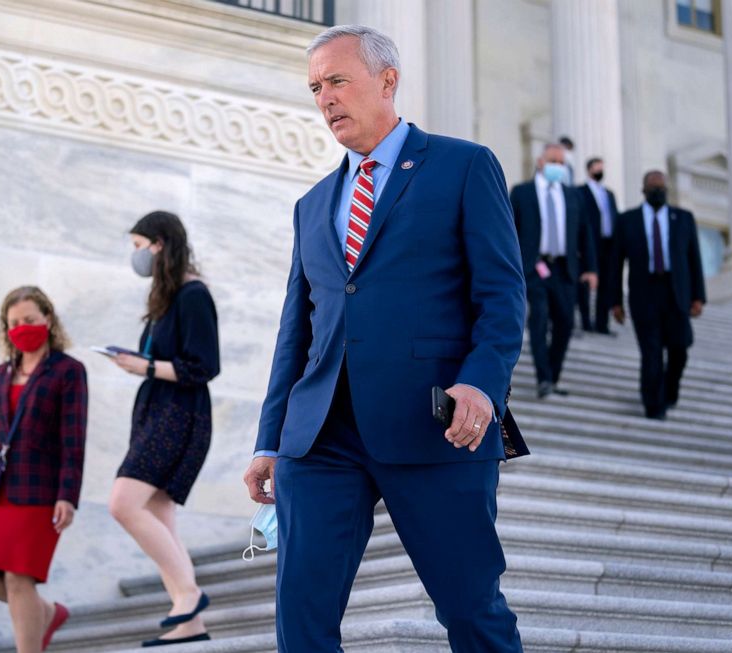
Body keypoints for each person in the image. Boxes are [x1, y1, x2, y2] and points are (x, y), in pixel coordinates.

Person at [242, 25, 527, 653]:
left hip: (434, 423)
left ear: (387, 80)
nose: (325, 99)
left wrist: (482, 383)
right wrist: (271, 438)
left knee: (471, 609)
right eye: (316, 87)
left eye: (337, 81)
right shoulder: (312, 205)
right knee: (302, 620)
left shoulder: (463, 166)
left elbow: (503, 296)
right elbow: (298, 333)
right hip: (320, 439)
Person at [107, 210, 220, 648]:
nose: (135, 256)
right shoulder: (166, 296)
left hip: (180, 414)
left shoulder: (193, 294)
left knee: (123, 503)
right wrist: (140, 363)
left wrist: (148, 365)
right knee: (157, 512)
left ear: (159, 244)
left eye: (138, 246)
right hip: (156, 410)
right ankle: (189, 622)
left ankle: (189, 594)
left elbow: (205, 365)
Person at [0, 286, 88, 653]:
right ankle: (46, 613)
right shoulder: (4, 372)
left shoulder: (69, 371)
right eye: (13, 323)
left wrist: (67, 495)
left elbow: (73, 439)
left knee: (18, 577)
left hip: (39, 490)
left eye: (29, 320)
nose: (21, 328)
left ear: (48, 318)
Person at [611, 171, 706, 419]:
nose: (658, 191)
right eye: (653, 187)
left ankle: (669, 392)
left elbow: (694, 259)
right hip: (645, 294)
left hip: (676, 294)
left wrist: (698, 297)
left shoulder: (684, 219)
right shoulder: (627, 220)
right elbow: (615, 262)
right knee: (651, 353)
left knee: (680, 350)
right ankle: (654, 405)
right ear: (644, 190)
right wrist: (615, 302)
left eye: (661, 187)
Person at [510, 143, 597, 398]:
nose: (558, 167)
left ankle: (553, 375)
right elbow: (509, 230)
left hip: (563, 268)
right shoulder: (522, 192)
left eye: (561, 163)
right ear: (540, 161)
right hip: (534, 266)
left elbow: (585, 234)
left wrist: (591, 268)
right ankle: (544, 379)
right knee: (538, 319)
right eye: (553, 161)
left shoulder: (573, 196)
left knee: (566, 322)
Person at [577, 157, 620, 335]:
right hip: (589, 243)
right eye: (597, 167)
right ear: (589, 169)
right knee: (586, 282)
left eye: (602, 167)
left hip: (608, 243)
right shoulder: (580, 191)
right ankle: (586, 321)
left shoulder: (608, 193)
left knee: (606, 283)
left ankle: (602, 323)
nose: (600, 170)